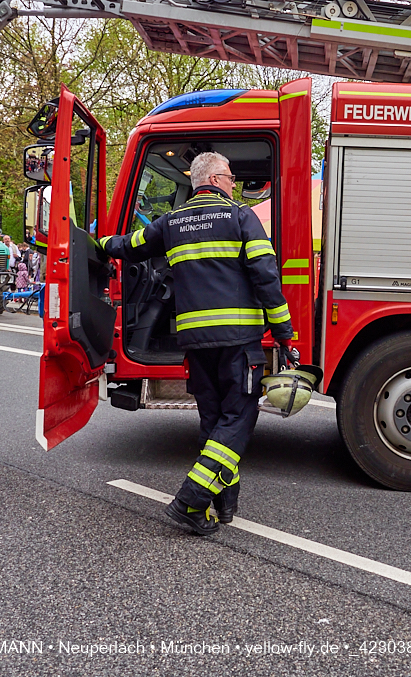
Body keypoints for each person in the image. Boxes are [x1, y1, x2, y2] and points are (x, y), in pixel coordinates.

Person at [99, 152, 292, 536]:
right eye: (232, 177)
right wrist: (284, 332)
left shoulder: (171, 223)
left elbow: (128, 245)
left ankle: (224, 505)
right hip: (239, 341)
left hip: (197, 344)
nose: (235, 183)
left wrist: (94, 242)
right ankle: (191, 501)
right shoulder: (241, 217)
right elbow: (266, 275)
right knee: (237, 420)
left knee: (213, 421)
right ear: (217, 178)